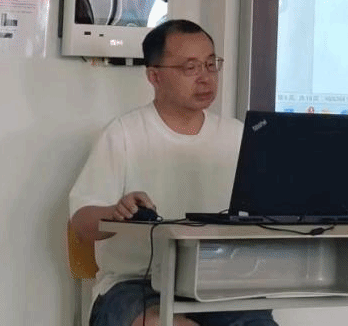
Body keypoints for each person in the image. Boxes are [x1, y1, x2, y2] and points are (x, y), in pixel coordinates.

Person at [69, 19, 278, 326]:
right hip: (135, 285)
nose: (205, 78)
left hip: (219, 284)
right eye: (190, 68)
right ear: (154, 76)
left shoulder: (239, 137)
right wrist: (116, 212)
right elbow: (80, 224)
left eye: (211, 64)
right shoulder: (124, 133)